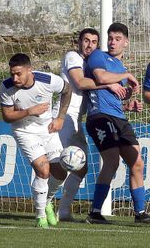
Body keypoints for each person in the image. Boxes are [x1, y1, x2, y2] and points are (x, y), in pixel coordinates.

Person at [53, 28, 127, 221]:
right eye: (86, 40)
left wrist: (126, 105)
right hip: (63, 115)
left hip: (77, 119)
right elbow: (80, 83)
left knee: (81, 166)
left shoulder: (91, 63)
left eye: (94, 42)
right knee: (57, 166)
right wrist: (108, 83)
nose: (89, 45)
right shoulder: (73, 57)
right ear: (79, 42)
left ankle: (63, 211)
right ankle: (43, 205)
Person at [84, 22, 150, 224]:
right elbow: (100, 77)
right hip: (99, 117)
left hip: (118, 117)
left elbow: (113, 97)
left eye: (118, 39)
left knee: (137, 162)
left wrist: (129, 104)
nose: (112, 42)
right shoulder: (99, 56)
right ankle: (95, 212)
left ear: (126, 43)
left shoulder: (120, 67)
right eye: (110, 38)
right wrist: (127, 76)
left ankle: (140, 213)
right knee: (112, 161)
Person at [0, 53, 72, 228]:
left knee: (62, 171)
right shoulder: (7, 86)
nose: (15, 78)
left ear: (29, 70)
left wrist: (60, 117)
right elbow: (8, 116)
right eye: (12, 74)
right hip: (24, 131)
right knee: (43, 170)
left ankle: (46, 201)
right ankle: (40, 217)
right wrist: (29, 111)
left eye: (18, 73)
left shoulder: (47, 80)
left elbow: (67, 89)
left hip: (47, 129)